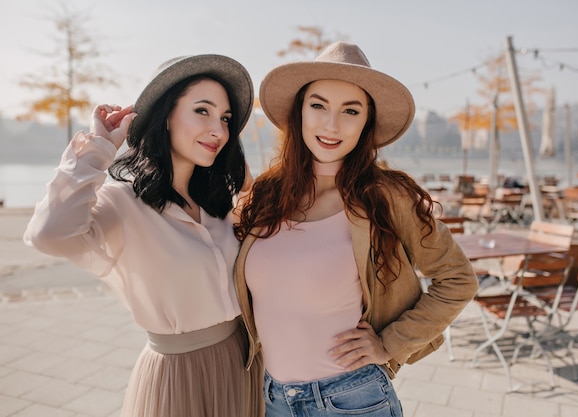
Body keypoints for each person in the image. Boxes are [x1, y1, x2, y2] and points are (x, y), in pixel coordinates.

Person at [233, 41, 479, 416]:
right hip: (273, 398)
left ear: (367, 122)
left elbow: (458, 279)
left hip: (352, 400)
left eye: (351, 110)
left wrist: (390, 343)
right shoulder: (267, 195)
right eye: (318, 105)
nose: (332, 125)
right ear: (299, 113)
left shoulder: (386, 196)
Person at [23, 54, 263, 417]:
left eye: (225, 118)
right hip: (180, 378)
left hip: (243, 366)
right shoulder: (123, 204)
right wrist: (99, 150)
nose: (219, 130)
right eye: (203, 111)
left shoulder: (218, 206)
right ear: (166, 115)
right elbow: (48, 235)